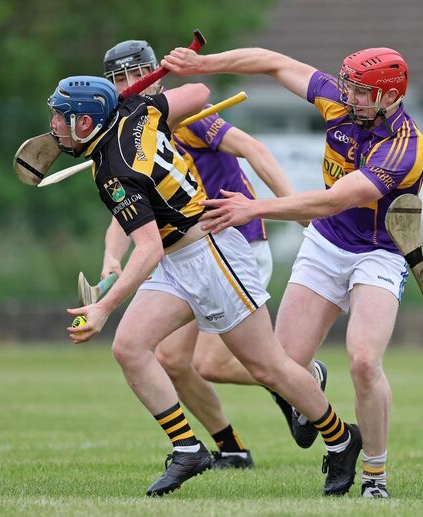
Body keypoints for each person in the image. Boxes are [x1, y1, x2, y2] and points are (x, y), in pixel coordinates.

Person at [47, 75, 361, 497]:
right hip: (181, 258)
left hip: (211, 255)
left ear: (86, 123)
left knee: (267, 366)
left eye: (60, 118)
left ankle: (341, 439)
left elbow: (147, 250)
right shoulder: (138, 111)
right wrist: (151, 109)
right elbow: (199, 92)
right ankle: (188, 448)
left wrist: (104, 309)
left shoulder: (114, 171)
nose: (53, 126)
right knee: (130, 347)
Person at [162, 45, 423, 498]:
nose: (348, 97)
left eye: (361, 92)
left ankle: (375, 476)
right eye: (348, 86)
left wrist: (256, 207)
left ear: (388, 97)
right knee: (279, 366)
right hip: (327, 245)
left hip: (379, 253)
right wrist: (204, 65)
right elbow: (274, 62)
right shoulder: (338, 102)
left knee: (364, 361)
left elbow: (334, 200)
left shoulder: (404, 147)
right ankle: (316, 391)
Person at [99, 39, 314, 469]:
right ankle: (231, 446)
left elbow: (255, 149)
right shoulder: (123, 131)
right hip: (189, 254)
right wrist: (111, 257)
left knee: (211, 363)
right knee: (173, 360)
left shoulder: (185, 119)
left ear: (153, 73)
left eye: (133, 74)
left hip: (235, 242)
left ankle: (301, 380)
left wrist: (295, 208)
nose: (128, 85)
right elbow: (127, 207)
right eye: (118, 78)